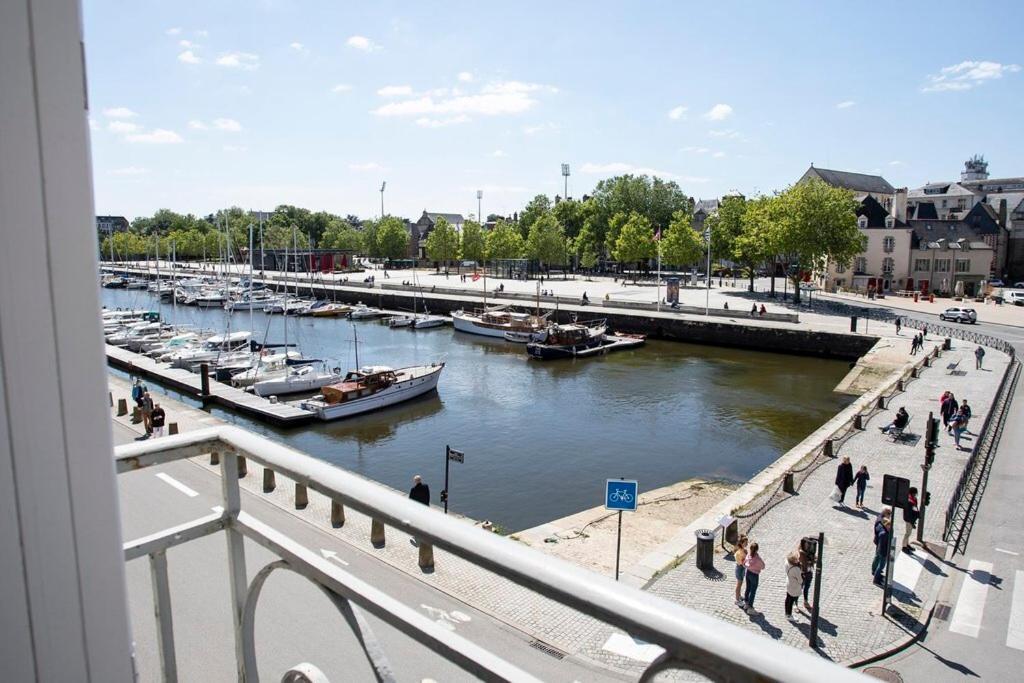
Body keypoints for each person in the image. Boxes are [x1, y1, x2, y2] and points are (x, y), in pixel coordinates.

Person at [743, 542, 765, 616]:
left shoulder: (748, 555)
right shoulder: (757, 558)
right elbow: (763, 566)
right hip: (754, 575)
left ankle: (746, 603)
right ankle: (750, 607)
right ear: (757, 550)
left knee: (748, 588)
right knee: (753, 591)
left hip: (748, 573)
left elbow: (745, 563)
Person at [872, 511, 892, 586]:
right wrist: (885, 553)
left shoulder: (883, 530)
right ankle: (876, 580)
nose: (890, 527)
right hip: (883, 552)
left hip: (881, 550)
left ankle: (876, 573)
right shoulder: (884, 534)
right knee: (881, 566)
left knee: (878, 562)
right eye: (889, 526)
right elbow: (882, 545)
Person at [785, 552, 802, 621]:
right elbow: (800, 580)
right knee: (791, 600)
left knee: (788, 598)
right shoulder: (796, 569)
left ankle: (787, 613)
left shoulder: (787, 563)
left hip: (789, 583)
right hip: (794, 586)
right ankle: (789, 615)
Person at [902, 487, 919, 553]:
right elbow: (909, 513)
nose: (916, 495)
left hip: (911, 519)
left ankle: (907, 544)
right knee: (907, 533)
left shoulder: (913, 499)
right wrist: (912, 522)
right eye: (915, 493)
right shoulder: (909, 501)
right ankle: (904, 546)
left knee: (909, 533)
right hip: (909, 519)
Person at [733, 535, 749, 607]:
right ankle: (737, 599)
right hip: (740, 568)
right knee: (739, 584)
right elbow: (742, 562)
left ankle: (739, 596)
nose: (746, 544)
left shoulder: (743, 550)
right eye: (745, 542)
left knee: (741, 583)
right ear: (741, 543)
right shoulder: (739, 553)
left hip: (742, 568)